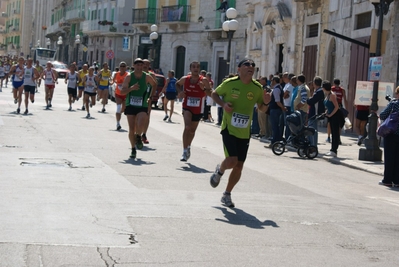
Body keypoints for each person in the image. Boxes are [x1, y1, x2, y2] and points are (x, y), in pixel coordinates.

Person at [209, 59, 271, 208]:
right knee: (231, 161)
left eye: (253, 66)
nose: (251, 67)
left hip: (244, 132)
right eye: (247, 65)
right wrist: (223, 104)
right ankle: (220, 170)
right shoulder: (230, 83)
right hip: (229, 128)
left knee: (239, 166)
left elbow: (262, 109)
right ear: (239, 69)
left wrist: (267, 102)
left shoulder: (257, 88)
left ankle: (227, 194)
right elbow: (214, 94)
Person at [120, 58, 157, 159]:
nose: (139, 67)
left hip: (142, 105)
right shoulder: (128, 77)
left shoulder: (147, 77)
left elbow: (154, 84)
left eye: (141, 65)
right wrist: (131, 88)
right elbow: (122, 91)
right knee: (131, 129)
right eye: (137, 65)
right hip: (130, 105)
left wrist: (150, 97)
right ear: (134, 66)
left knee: (141, 123)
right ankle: (133, 149)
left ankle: (139, 136)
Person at [175, 61, 212, 161]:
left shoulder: (203, 80)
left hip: (198, 108)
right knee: (187, 127)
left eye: (197, 67)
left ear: (199, 69)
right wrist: (180, 92)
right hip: (187, 106)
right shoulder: (185, 79)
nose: (195, 68)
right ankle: (184, 151)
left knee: (192, 131)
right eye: (194, 67)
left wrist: (203, 89)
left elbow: (210, 93)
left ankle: (188, 146)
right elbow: (177, 84)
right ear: (190, 69)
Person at [379, 86, 399, 187]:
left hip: (391, 133)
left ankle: (387, 180)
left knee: (389, 158)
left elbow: (382, 115)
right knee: (397, 159)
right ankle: (397, 181)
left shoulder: (394, 104)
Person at [322, 81, 344, 157]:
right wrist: (326, 112)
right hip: (330, 116)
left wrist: (330, 114)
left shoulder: (332, 95)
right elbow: (328, 106)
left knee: (335, 133)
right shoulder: (327, 95)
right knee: (332, 133)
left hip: (335, 116)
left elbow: (336, 107)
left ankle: (334, 150)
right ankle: (332, 149)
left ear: (324, 88)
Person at [140, 59, 157, 144]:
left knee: (146, 117)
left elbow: (155, 85)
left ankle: (144, 134)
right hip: (138, 98)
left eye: (147, 64)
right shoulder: (137, 74)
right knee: (137, 117)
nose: (145, 65)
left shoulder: (151, 75)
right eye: (144, 64)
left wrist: (151, 96)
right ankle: (137, 134)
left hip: (147, 99)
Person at [306, 76, 325, 146]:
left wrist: (307, 99)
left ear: (315, 83)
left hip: (315, 113)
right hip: (313, 112)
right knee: (311, 129)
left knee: (312, 130)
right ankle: (311, 144)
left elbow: (311, 101)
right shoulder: (317, 91)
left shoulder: (319, 92)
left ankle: (313, 145)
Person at [268, 76, 286, 146]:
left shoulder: (276, 89)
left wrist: (283, 107)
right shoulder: (279, 88)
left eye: (272, 80)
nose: (271, 81)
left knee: (274, 126)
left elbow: (277, 101)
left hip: (275, 109)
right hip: (277, 109)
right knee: (276, 126)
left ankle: (274, 142)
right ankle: (277, 140)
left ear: (275, 81)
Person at [112, 62, 129, 130]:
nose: (122, 67)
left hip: (125, 94)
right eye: (121, 66)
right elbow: (113, 81)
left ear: (126, 67)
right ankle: (118, 123)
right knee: (118, 107)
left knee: (123, 109)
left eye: (123, 66)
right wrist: (110, 83)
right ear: (119, 67)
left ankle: (118, 114)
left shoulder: (128, 75)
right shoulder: (116, 74)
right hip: (118, 93)